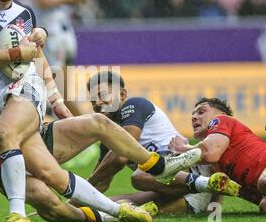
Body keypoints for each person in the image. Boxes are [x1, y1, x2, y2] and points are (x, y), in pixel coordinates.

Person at [0, 0, 180, 222]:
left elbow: (37, 58)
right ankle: (114, 211)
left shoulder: (24, 13)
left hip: (25, 90)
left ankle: (17, 214)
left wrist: (55, 97)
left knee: (5, 133)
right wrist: (19, 51)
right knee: (51, 178)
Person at [0, 17, 203, 222]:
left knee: (98, 123)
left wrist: (54, 93)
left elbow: (30, 51)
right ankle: (106, 218)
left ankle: (157, 165)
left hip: (35, 136)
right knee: (52, 208)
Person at [58, 70, 240, 214]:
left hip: (186, 173)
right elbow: (102, 183)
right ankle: (186, 203)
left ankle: (203, 185)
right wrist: (70, 204)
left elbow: (120, 156)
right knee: (111, 205)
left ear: (122, 95)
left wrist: (90, 181)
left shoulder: (134, 105)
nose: (97, 103)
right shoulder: (107, 133)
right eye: (93, 100)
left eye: (103, 95)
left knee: (141, 175)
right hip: (177, 190)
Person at [168, 97, 266, 218]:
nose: (194, 117)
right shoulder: (215, 167)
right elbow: (215, 198)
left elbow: (210, 153)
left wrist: (183, 148)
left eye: (201, 112)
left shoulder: (221, 119)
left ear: (221, 114)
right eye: (193, 115)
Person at [21, 0, 90, 116]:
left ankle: (93, 132)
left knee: (59, 93)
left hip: (57, 33)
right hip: (40, 34)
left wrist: (53, 2)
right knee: (62, 94)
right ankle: (89, 132)